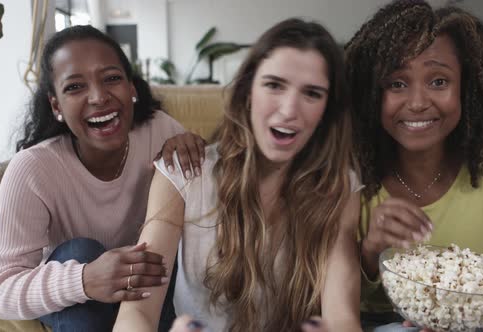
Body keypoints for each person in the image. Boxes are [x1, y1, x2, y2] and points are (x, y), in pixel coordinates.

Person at [113, 18, 363, 332]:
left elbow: (342, 318)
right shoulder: (184, 174)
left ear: (328, 111)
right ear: (247, 91)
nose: (288, 110)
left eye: (312, 93)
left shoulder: (341, 186)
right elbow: (136, 314)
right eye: (274, 85)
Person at [0, 25, 186, 332]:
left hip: (145, 290)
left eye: (112, 78)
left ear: (132, 88)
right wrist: (84, 278)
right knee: (80, 252)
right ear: (56, 106)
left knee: (168, 262)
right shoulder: (33, 168)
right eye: (75, 87)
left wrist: (193, 146)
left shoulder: (160, 131)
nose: (99, 97)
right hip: (78, 301)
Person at [344, 0, 483, 331]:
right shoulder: (351, 167)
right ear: (372, 92)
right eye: (396, 83)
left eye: (439, 82)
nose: (417, 103)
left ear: (467, 88)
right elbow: (334, 303)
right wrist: (371, 249)